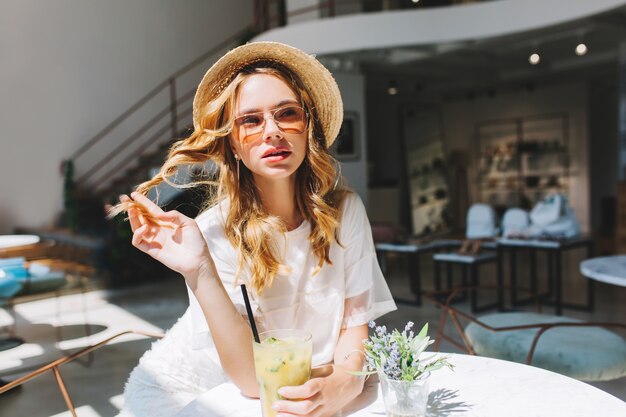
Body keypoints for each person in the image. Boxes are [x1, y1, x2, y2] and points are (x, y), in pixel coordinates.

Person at [110, 41, 396, 417]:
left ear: (307, 127)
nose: (273, 132)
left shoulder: (345, 210)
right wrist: (200, 271)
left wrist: (345, 382)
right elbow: (248, 381)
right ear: (232, 143)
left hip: (298, 387)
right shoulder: (212, 230)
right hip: (193, 392)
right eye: (251, 120)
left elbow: (354, 328)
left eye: (287, 114)